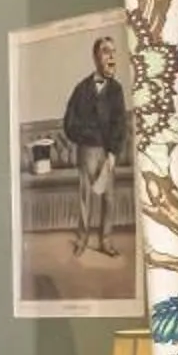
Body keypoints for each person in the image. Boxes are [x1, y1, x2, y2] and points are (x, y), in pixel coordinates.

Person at [62, 37, 130, 256]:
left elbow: (120, 123)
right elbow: (69, 123)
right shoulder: (81, 89)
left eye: (113, 51)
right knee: (85, 197)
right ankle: (82, 240)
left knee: (109, 197)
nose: (111, 56)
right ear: (95, 57)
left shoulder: (117, 90)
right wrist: (87, 136)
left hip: (107, 152)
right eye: (105, 51)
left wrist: (112, 153)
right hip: (86, 151)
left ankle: (106, 241)